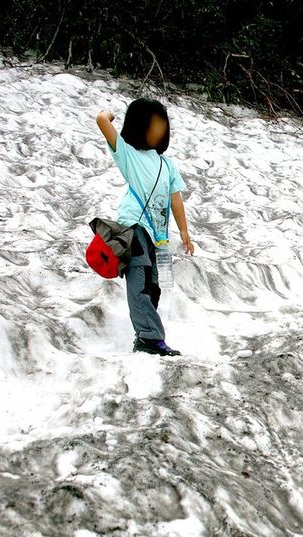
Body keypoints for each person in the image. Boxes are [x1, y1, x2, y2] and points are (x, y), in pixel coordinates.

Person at [96, 98, 195, 356]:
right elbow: (101, 121)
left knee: (154, 286)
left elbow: (175, 198)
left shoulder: (167, 164)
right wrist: (109, 114)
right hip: (135, 228)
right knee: (139, 282)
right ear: (140, 126)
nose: (160, 131)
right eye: (155, 125)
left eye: (163, 126)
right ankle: (150, 338)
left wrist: (184, 231)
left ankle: (144, 336)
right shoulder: (128, 154)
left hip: (159, 237)